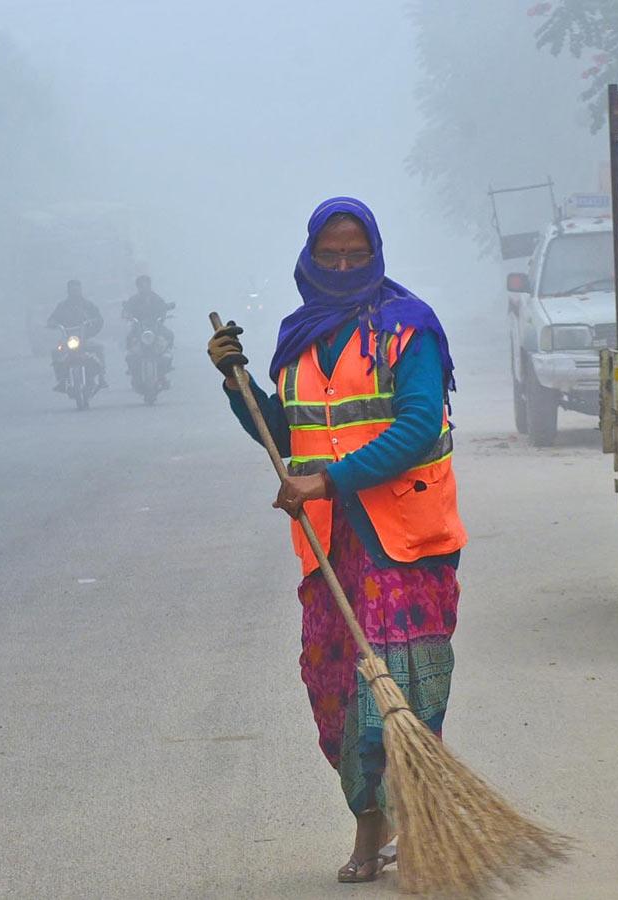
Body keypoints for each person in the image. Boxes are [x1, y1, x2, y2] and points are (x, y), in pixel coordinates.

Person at [206, 197, 467, 884]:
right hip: (329, 550)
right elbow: (286, 434)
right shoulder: (298, 337)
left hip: (406, 542)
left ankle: (407, 831)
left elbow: (415, 428)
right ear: (312, 256)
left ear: (376, 252)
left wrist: (327, 481)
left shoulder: (408, 330)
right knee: (335, 694)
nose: (346, 264)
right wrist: (237, 385)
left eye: (357, 252)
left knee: (400, 694)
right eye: (332, 254)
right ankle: (372, 818)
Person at [48, 279, 106, 391]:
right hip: (67, 340)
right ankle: (61, 380)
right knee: (56, 352)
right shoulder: (62, 306)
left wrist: (93, 324)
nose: (75, 292)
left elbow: (99, 318)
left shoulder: (88, 305)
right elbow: (52, 318)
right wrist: (52, 323)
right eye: (72, 289)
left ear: (80, 290)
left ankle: (102, 377)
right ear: (68, 291)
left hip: (85, 339)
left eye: (76, 289)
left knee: (99, 348)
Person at [122, 275, 175, 382]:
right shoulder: (134, 300)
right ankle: (131, 367)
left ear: (150, 285)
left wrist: (163, 315)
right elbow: (126, 310)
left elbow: (163, 308)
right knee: (129, 339)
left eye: (146, 285)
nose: (144, 287)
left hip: (156, 326)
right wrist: (126, 314)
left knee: (170, 335)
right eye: (141, 285)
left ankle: (166, 360)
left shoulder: (156, 298)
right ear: (138, 287)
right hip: (139, 327)